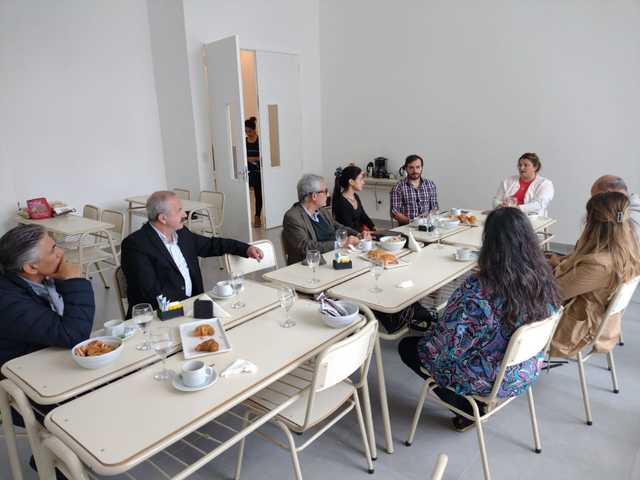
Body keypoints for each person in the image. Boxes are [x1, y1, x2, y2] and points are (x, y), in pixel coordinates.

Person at [399, 207, 561, 431]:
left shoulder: (478, 289)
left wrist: (432, 329)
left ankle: (465, 409)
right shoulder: (543, 278)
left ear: (489, 243)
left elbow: (447, 348)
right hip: (526, 368)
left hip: (490, 378)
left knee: (408, 346)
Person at [121, 191, 263, 315]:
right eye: (179, 210)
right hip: (161, 316)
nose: (185, 214)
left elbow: (212, 245)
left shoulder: (181, 233)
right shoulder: (135, 245)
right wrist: (190, 309)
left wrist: (245, 248)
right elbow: (150, 293)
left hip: (193, 308)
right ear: (163, 218)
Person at [550, 192, 640, 358]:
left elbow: (552, 294)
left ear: (592, 223)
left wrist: (557, 266)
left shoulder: (599, 264)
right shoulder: (627, 250)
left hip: (569, 327)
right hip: (594, 316)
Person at [0, 223, 95, 369]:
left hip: (53, 353)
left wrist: (65, 280)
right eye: (52, 251)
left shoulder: (44, 278)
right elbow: (75, 334)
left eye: (56, 245)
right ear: (31, 267)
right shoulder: (8, 302)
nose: (60, 252)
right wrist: (74, 282)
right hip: (26, 371)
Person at [546, 174, 640, 269]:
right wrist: (563, 259)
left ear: (608, 194)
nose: (593, 203)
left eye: (594, 198)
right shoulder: (627, 213)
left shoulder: (625, 224)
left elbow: (590, 257)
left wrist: (558, 265)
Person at [282, 174, 360, 265]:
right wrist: (340, 244)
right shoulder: (293, 217)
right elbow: (305, 247)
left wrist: (358, 234)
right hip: (309, 265)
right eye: (325, 191)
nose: (328, 194)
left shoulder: (322, 211)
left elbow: (339, 227)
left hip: (331, 259)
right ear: (314, 196)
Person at [391, 154, 438, 226]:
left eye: (418, 167)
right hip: (407, 227)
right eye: (411, 167)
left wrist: (429, 218)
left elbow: (434, 207)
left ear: (421, 168)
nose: (415, 170)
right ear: (406, 168)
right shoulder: (398, 187)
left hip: (427, 226)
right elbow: (395, 212)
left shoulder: (430, 185)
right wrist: (413, 223)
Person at [332, 165, 376, 233]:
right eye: (361, 179)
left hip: (359, 235)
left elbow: (363, 216)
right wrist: (368, 233)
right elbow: (348, 228)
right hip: (350, 238)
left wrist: (374, 228)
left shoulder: (355, 196)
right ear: (351, 182)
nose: (363, 182)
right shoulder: (341, 202)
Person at [245, 116, 263, 227]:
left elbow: (263, 157)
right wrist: (247, 159)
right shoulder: (245, 141)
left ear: (254, 130)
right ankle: (245, 217)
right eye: (246, 131)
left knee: (258, 195)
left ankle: (257, 217)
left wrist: (254, 159)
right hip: (247, 172)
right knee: (245, 195)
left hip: (258, 171)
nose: (248, 133)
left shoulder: (260, 141)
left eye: (249, 131)